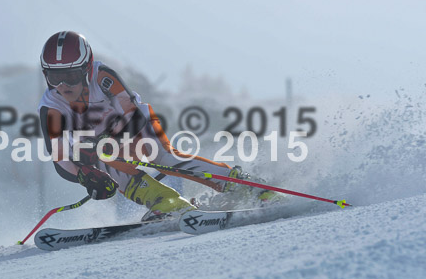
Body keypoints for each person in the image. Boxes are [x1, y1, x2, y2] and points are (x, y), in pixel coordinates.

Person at [38, 31, 275, 221]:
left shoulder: (103, 78)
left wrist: (112, 139)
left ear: (86, 68)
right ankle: (166, 202)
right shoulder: (51, 107)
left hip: (134, 125)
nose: (62, 85)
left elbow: (132, 115)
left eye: (70, 76)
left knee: (161, 157)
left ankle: (242, 185)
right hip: (102, 143)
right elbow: (60, 157)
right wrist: (85, 176)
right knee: (95, 159)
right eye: (53, 76)